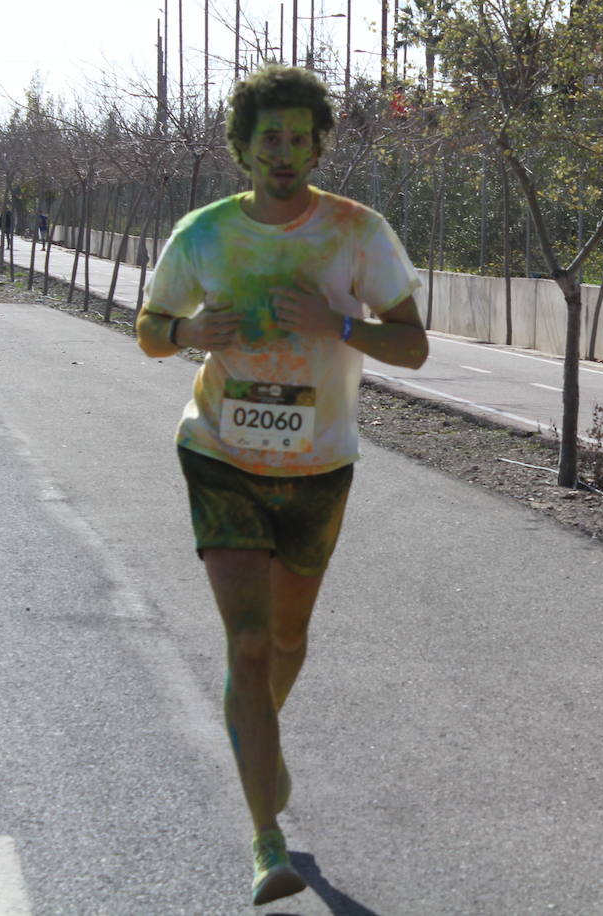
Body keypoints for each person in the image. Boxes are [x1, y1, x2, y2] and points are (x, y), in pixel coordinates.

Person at [135, 64, 428, 907]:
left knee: (288, 645)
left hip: (319, 467)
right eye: (271, 137)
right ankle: (267, 839)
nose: (286, 152)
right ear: (243, 147)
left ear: (318, 145)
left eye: (301, 137)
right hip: (220, 454)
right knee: (251, 644)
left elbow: (413, 347)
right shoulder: (203, 233)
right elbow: (150, 331)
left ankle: (259, 742)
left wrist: (336, 325)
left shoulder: (357, 232)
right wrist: (188, 329)